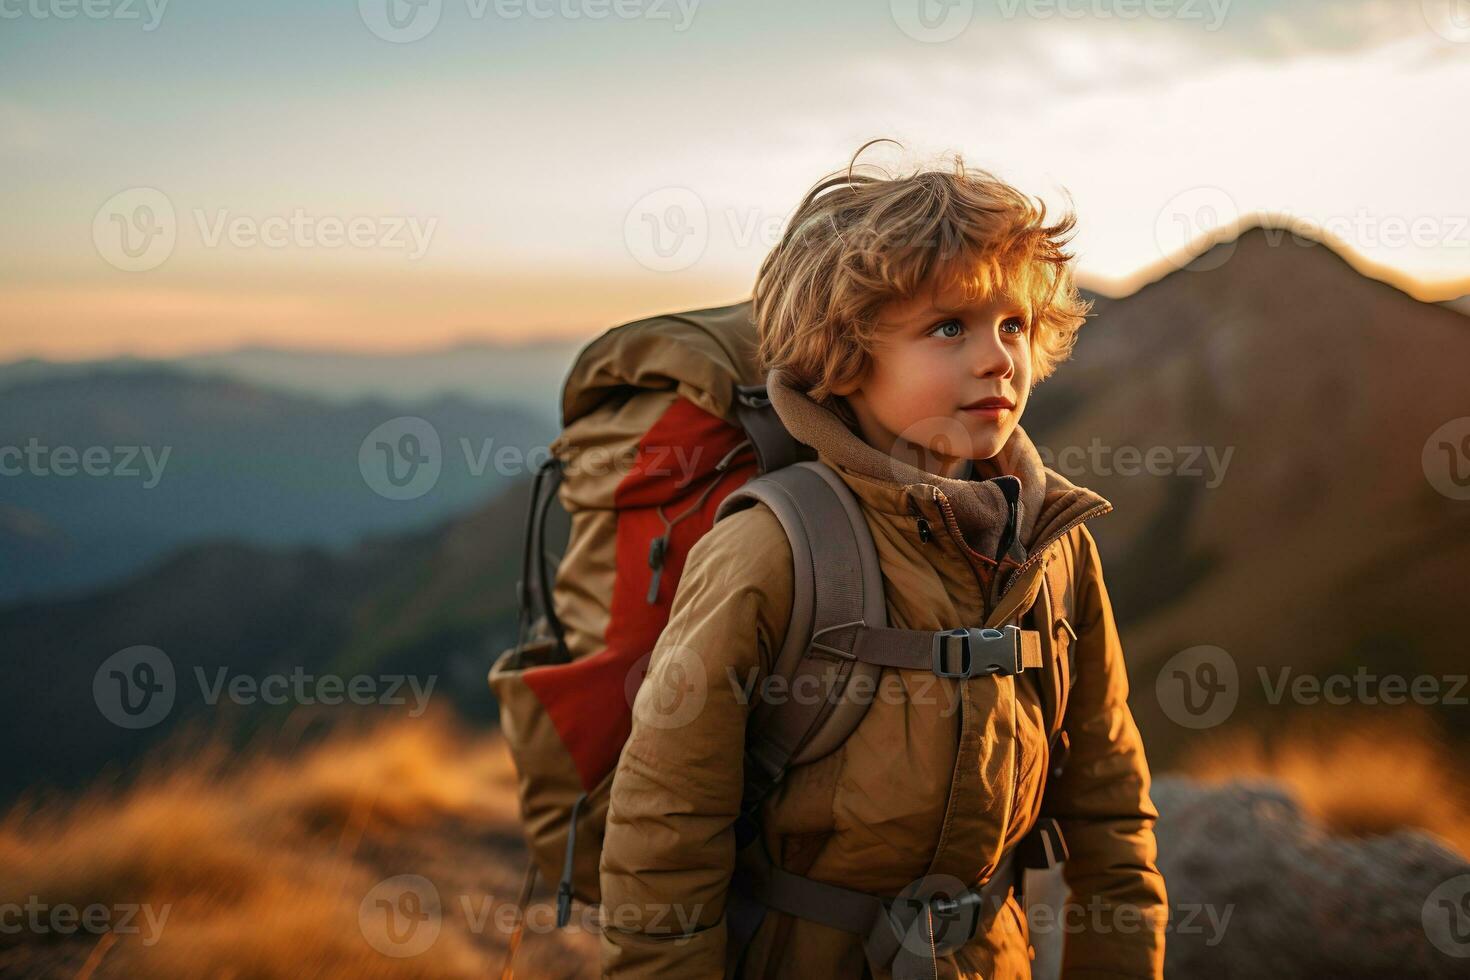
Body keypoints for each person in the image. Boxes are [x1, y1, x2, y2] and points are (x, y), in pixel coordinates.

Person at [598, 142, 1168, 979]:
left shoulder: (1055, 547)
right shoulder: (773, 548)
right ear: (845, 352)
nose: (997, 359)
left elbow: (1111, 809)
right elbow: (665, 826)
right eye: (948, 327)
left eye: (1013, 324)